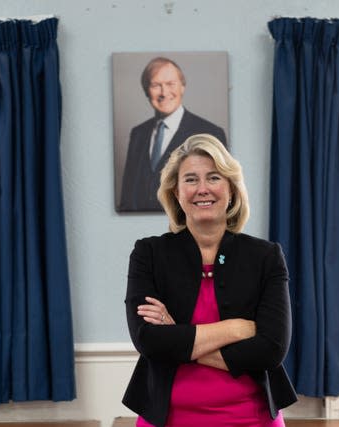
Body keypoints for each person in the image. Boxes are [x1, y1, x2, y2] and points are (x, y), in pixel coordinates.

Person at [123, 134, 297, 427]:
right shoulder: (149, 253)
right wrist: (235, 328)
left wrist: (177, 335)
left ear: (231, 189)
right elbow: (148, 340)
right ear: (176, 193)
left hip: (251, 419)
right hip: (167, 419)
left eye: (213, 177)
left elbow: (271, 349)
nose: (202, 189)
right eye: (190, 179)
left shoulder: (265, 256)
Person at [118, 57, 227, 212]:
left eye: (170, 84)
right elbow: (127, 197)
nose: (164, 92)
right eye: (156, 85)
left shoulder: (210, 133)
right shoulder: (138, 133)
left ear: (182, 87)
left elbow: (217, 196)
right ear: (146, 90)